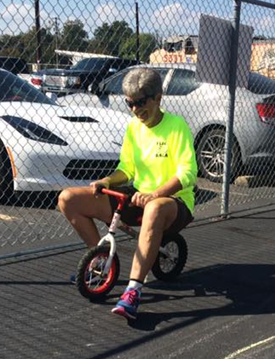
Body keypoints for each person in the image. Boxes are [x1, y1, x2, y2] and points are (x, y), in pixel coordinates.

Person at [58, 68, 198, 320]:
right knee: (68, 198)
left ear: (158, 98)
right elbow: (127, 168)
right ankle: (102, 264)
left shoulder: (177, 127)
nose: (134, 109)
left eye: (141, 102)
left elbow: (188, 173)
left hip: (174, 203)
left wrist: (156, 194)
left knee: (154, 208)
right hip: (139, 196)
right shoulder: (134, 127)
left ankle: (133, 291)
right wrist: (107, 180)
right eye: (129, 103)